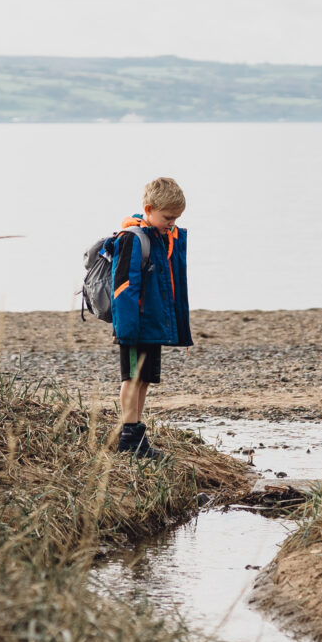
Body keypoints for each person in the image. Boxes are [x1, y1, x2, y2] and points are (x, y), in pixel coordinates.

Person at [108, 176, 191, 458]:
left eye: (177, 218)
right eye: (168, 217)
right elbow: (123, 287)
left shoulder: (163, 238)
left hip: (152, 326)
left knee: (144, 379)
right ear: (148, 208)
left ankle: (137, 435)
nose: (172, 222)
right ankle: (128, 437)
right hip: (134, 326)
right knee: (131, 378)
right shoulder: (134, 240)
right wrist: (127, 328)